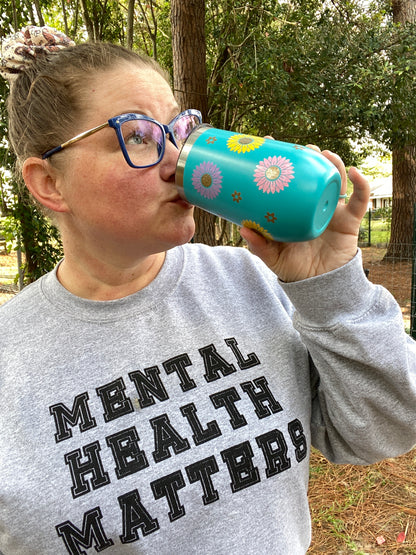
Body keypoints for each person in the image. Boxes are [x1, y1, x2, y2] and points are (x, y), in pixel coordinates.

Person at [0, 25, 415, 555]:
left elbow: (387, 427)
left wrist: (328, 284)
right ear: (48, 183)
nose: (176, 158)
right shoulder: (11, 355)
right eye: (137, 136)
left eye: (177, 128)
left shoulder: (250, 281)